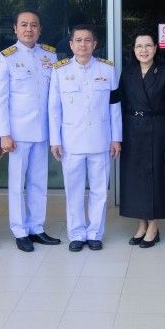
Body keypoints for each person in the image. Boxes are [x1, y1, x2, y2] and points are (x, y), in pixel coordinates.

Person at [49, 23, 122, 251]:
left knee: (100, 190)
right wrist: (55, 140)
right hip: (71, 141)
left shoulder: (107, 70)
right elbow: (54, 108)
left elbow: (115, 107)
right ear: (71, 44)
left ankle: (95, 233)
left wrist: (116, 138)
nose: (83, 45)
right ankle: (77, 234)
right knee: (74, 190)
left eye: (87, 40)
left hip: (101, 139)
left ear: (95, 44)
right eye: (78, 40)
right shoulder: (60, 70)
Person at [0, 10, 61, 252]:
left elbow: (55, 95)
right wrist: (4, 134)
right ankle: (19, 230)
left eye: (34, 25)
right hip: (18, 133)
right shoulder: (6, 57)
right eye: (24, 25)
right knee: (17, 183)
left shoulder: (50, 55)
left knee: (39, 182)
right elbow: (0, 99)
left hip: (43, 131)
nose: (29, 29)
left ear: (40, 29)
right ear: (15, 29)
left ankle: (36, 227)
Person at [119, 28, 165, 248]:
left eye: (147, 45)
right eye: (139, 46)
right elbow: (120, 102)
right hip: (132, 130)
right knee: (135, 179)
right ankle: (142, 224)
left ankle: (153, 226)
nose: (143, 50)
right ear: (134, 50)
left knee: (155, 179)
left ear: (155, 48)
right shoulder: (128, 72)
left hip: (158, 129)